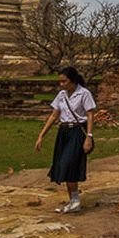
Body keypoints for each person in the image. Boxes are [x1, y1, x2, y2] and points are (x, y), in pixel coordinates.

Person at [35, 66, 96, 214]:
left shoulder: (84, 94)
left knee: (68, 164)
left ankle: (75, 200)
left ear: (72, 81)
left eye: (64, 81)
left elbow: (90, 115)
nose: (61, 84)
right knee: (63, 165)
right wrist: (41, 135)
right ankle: (73, 200)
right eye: (60, 82)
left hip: (77, 131)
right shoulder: (62, 95)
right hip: (64, 132)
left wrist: (89, 136)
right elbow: (54, 115)